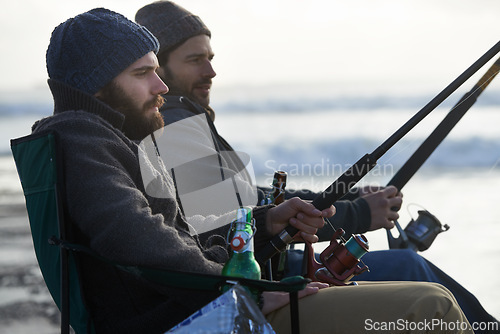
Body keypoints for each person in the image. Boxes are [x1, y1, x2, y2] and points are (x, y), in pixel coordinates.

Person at [35, 7, 474, 334]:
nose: (161, 87)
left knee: (422, 292)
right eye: (143, 73)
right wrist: (244, 291)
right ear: (97, 85)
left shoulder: (110, 138)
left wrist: (265, 225)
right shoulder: (86, 141)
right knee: (428, 305)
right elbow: (136, 237)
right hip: (200, 318)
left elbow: (192, 228)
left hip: (203, 304)